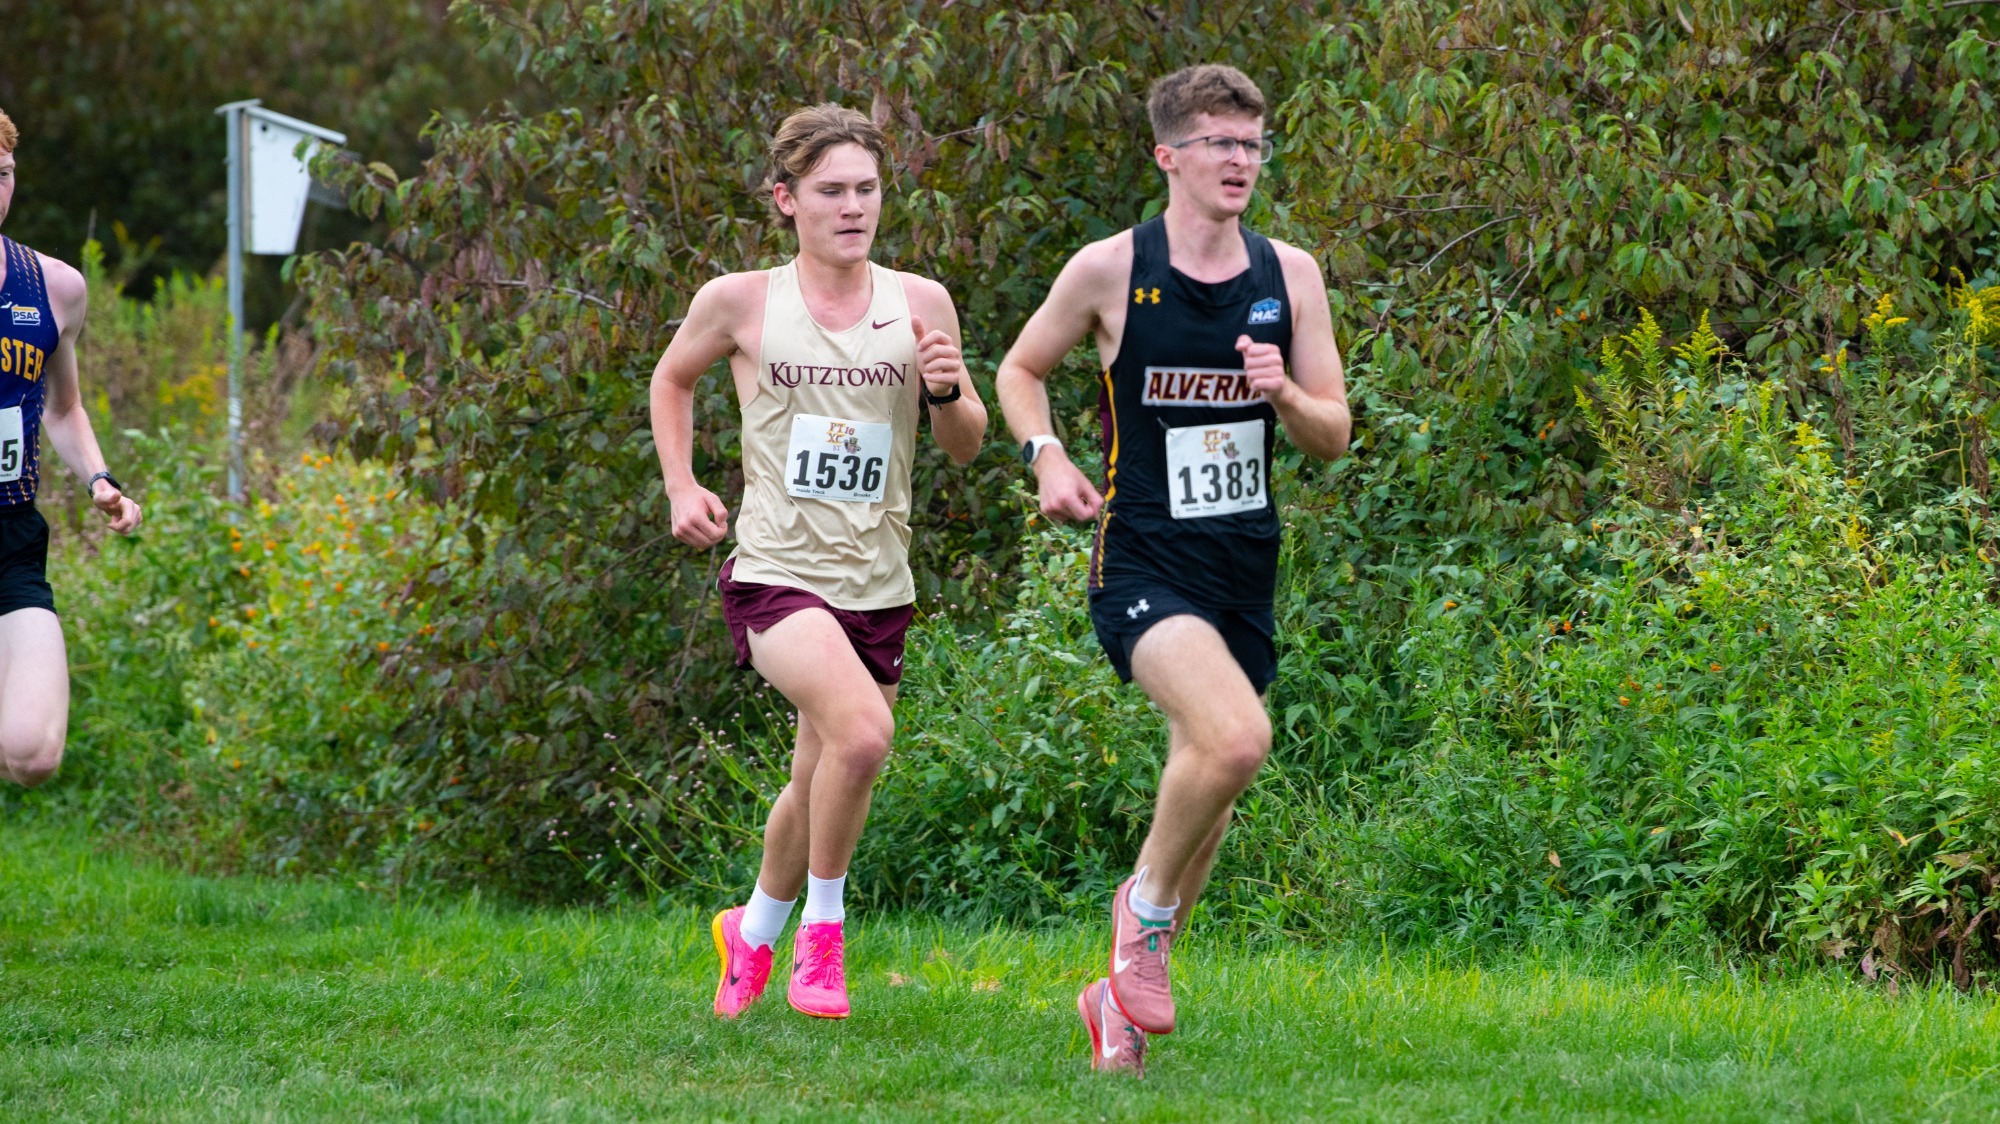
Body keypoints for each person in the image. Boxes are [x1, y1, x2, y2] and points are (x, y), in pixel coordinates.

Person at [994, 65, 1351, 1074]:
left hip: (1243, 562)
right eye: (1219, 144)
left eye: (1253, 143)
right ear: (1168, 157)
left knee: (1211, 790)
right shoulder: (1110, 269)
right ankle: (1139, 919)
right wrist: (1045, 455)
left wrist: (1281, 394)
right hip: (1140, 555)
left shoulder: (1291, 274)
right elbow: (1018, 370)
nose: (1240, 161)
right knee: (1236, 738)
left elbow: (1333, 433)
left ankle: (1115, 1002)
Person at [649, 104, 987, 1021]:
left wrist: (950, 387)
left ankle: (750, 930)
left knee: (815, 778)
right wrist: (682, 485)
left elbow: (963, 444)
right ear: (786, 199)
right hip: (775, 572)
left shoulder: (920, 302)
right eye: (831, 191)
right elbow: (672, 377)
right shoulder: (742, 299)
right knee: (865, 737)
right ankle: (821, 938)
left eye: (867, 190)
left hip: (878, 582)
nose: (853, 208)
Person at [0, 108, 143, 789]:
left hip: (10, 539)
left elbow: (63, 408)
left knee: (33, 755)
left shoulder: (54, 288)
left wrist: (99, 479)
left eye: (1, 176)